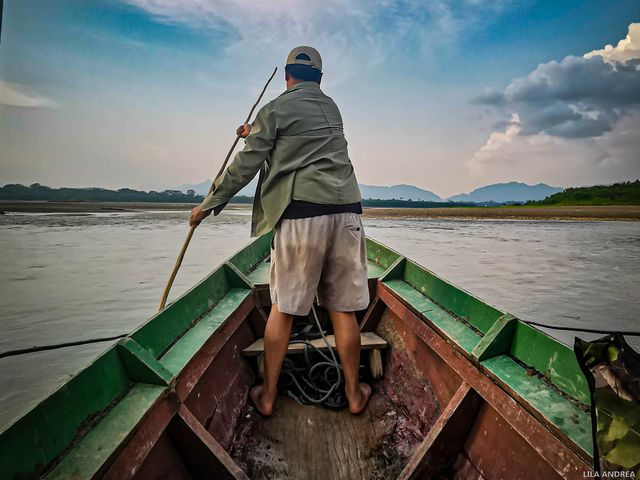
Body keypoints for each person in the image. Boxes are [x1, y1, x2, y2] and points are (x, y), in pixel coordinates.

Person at [189, 46, 371, 416]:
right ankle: (354, 394)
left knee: (284, 310)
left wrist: (208, 205)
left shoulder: (273, 109)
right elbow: (297, 139)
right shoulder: (332, 108)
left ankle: (268, 396)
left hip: (302, 214)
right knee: (343, 311)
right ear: (320, 79)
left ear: (287, 77)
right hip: (347, 214)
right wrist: (254, 131)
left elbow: (248, 164)